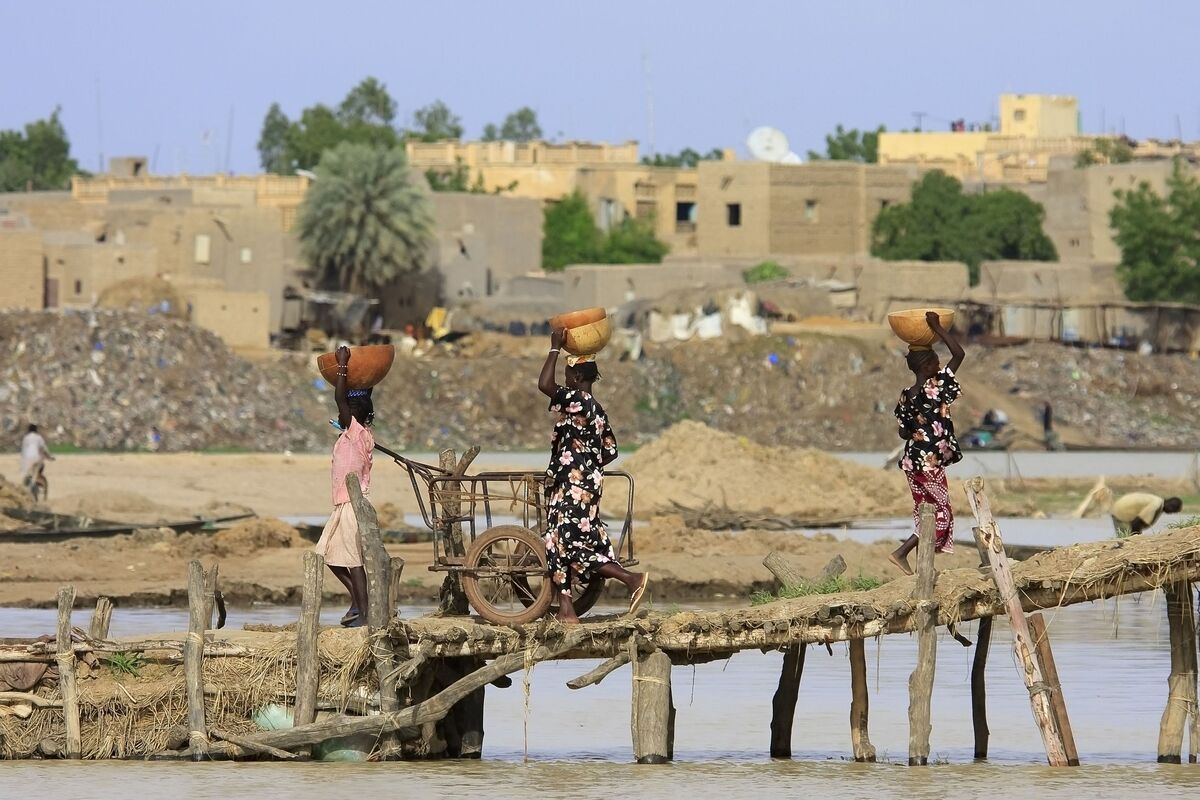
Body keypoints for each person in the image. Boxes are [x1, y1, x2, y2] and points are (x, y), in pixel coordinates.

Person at [538, 328, 648, 624]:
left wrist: (554, 348)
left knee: (566, 544)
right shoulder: (596, 411)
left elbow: (544, 384)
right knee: (564, 541)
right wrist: (583, 454)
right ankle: (566, 608)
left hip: (574, 485)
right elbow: (610, 451)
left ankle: (631, 579)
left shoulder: (580, 401)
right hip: (585, 484)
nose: (564, 381)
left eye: (567, 376)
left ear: (575, 379)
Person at [889, 312, 966, 575]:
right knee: (941, 513)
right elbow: (959, 354)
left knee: (925, 511)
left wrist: (917, 429)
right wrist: (936, 328)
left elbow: (902, 433)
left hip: (912, 462)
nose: (941, 363)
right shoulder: (935, 388)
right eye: (936, 361)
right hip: (929, 463)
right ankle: (902, 552)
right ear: (926, 368)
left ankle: (923, 566)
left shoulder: (905, 396)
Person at [313, 346, 375, 627]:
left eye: (343, 411)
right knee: (326, 554)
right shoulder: (353, 434)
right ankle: (358, 603)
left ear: (352, 413)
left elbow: (341, 397)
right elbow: (353, 398)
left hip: (352, 504)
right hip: (342, 504)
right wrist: (364, 379)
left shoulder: (355, 432)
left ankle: (365, 613)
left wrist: (341, 365)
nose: (338, 414)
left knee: (353, 560)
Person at [1111, 492, 1182, 537]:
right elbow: (1137, 522)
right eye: (1173, 511)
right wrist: (1136, 540)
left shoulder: (1158, 503)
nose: (1170, 513)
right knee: (1125, 540)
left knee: (1126, 539)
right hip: (1121, 511)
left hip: (1120, 507)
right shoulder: (1155, 505)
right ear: (1171, 506)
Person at [20, 424, 54, 501]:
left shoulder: (25, 438)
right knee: (39, 470)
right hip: (37, 460)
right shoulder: (39, 438)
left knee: (27, 475)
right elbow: (44, 449)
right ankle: (39, 488)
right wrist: (50, 457)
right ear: (36, 430)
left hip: (27, 461)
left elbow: (23, 450)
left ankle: (25, 490)